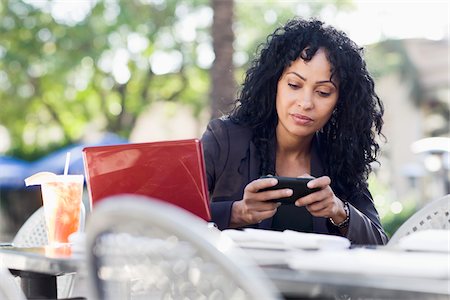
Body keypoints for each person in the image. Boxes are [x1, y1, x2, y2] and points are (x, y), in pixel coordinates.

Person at [201, 18, 388, 245]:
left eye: (323, 92)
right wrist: (237, 212)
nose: (306, 102)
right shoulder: (224, 140)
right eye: (294, 85)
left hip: (316, 281)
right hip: (232, 281)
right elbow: (166, 215)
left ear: (341, 101)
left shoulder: (339, 158)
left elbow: (379, 243)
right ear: (275, 83)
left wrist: (340, 212)